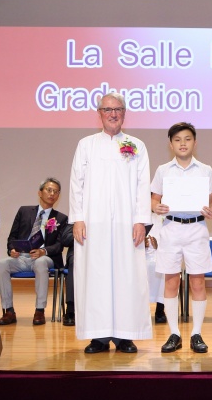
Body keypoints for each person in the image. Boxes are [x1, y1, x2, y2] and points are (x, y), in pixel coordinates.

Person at [69, 92, 152, 354]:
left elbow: (142, 186)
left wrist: (141, 221)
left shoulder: (136, 145)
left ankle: (126, 335)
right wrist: (78, 218)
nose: (113, 114)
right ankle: (99, 336)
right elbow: (76, 183)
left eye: (118, 109)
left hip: (127, 225)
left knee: (128, 277)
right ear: (100, 114)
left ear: (124, 113)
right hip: (94, 225)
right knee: (95, 278)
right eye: (107, 109)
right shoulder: (86, 145)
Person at [151, 122, 212, 354]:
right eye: (177, 140)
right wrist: (156, 207)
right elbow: (154, 199)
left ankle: (196, 333)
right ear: (170, 144)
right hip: (171, 228)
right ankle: (174, 334)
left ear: (195, 142)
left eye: (187, 139)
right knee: (171, 281)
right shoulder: (163, 170)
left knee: (198, 282)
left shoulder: (205, 170)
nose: (183, 144)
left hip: (196, 229)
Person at [0, 178, 68, 326]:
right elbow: (12, 237)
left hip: (45, 258)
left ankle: (39, 310)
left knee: (41, 263)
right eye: (49, 190)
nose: (52, 194)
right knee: (2, 264)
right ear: (40, 192)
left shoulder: (61, 218)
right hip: (21, 257)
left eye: (56, 192)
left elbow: (59, 245)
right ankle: (9, 310)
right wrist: (12, 249)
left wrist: (43, 251)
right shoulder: (24, 211)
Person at [145, 215, 166, 324]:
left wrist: (159, 246)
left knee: (164, 271)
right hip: (141, 256)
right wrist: (141, 243)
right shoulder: (139, 214)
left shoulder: (165, 216)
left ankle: (160, 310)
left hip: (161, 255)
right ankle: (142, 312)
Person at [61, 223, 75, 326]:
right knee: (75, 262)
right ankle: (70, 309)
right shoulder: (78, 217)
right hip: (78, 252)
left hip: (101, 252)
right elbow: (65, 239)